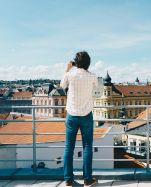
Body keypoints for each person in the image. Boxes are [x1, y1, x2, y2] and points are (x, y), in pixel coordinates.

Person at [60, 51, 98, 187]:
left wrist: (67, 69)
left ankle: (68, 180)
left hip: (71, 114)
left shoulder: (70, 75)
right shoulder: (92, 76)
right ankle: (87, 179)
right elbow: (97, 87)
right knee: (87, 147)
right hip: (86, 115)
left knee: (69, 147)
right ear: (88, 63)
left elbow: (62, 86)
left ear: (76, 63)